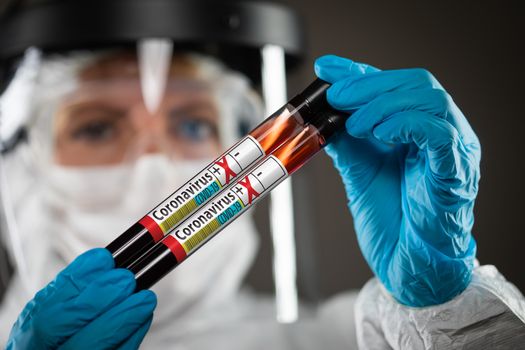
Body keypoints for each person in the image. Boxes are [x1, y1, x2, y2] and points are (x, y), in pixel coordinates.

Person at [1, 1, 524, 349]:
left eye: (192, 123)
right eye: (95, 128)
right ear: (18, 159)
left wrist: (443, 306)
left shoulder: (346, 340)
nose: (154, 161)